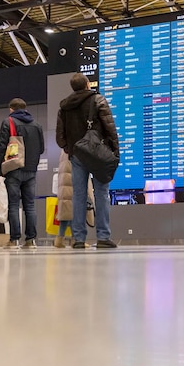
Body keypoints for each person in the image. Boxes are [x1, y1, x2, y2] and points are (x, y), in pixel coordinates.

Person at [56, 73, 119, 249]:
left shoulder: (64, 107)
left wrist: (70, 148)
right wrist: (115, 151)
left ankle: (79, 239)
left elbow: (59, 137)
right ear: (87, 84)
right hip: (98, 153)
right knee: (101, 194)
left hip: (77, 155)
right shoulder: (98, 100)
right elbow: (110, 127)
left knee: (79, 195)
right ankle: (103, 237)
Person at [0, 98, 45, 249]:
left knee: (13, 205)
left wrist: (0, 170)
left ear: (12, 109)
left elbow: (2, 147)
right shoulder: (37, 125)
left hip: (14, 169)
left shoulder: (9, 122)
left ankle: (14, 239)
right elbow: (41, 148)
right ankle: (31, 240)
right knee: (30, 206)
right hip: (31, 170)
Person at [54, 150, 95, 248]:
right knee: (73, 212)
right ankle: (74, 239)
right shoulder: (74, 149)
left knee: (68, 213)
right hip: (72, 182)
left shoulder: (64, 150)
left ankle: (63, 239)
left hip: (65, 182)